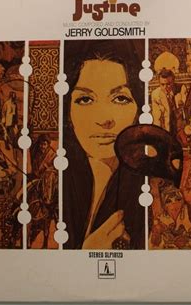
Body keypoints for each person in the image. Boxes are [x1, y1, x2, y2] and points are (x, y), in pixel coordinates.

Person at [62, 40, 145, 249]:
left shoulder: (148, 189)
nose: (104, 119)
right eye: (85, 100)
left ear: (139, 109)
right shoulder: (55, 183)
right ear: (67, 112)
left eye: (120, 99)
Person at [151, 68, 186, 136]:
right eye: (162, 84)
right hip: (166, 129)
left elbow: (185, 109)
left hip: (180, 128)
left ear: (173, 82)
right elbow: (156, 118)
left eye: (168, 84)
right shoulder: (155, 95)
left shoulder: (181, 89)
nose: (165, 87)